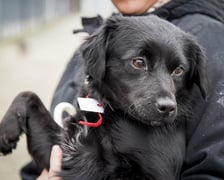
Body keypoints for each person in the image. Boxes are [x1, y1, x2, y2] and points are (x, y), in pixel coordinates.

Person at [22, 0, 224, 179]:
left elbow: (213, 169)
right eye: (138, 63)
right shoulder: (104, 38)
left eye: (177, 71)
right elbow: (43, 163)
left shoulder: (213, 42)